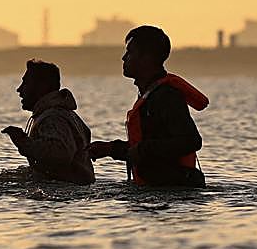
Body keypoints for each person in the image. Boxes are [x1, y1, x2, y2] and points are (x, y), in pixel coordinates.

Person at [88, 25, 208, 187]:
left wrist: (144, 149)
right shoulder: (149, 95)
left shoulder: (167, 96)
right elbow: (144, 147)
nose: (124, 58)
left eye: (130, 52)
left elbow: (191, 141)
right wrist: (110, 149)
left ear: (147, 58)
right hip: (154, 188)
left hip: (174, 192)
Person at [1, 60, 95, 184]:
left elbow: (60, 153)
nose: (19, 90)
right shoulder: (64, 114)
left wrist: (23, 142)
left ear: (41, 87)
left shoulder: (53, 117)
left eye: (25, 83)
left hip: (64, 193)